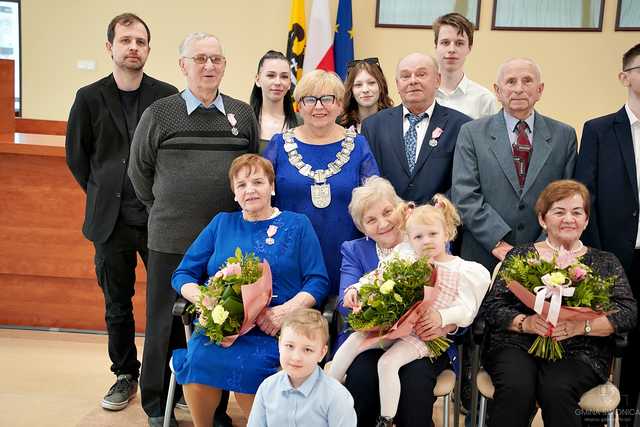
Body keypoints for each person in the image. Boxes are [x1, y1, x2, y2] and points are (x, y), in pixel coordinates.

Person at [128, 32, 258, 427]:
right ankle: (156, 405)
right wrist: (165, 207)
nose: (208, 66)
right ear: (183, 65)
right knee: (163, 324)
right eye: (199, 59)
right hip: (170, 239)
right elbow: (139, 173)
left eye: (216, 59)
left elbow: (250, 169)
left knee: (220, 321)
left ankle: (211, 409)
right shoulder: (159, 114)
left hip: (225, 245)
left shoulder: (242, 114)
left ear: (224, 65)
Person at [65, 12, 178, 412]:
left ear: (148, 49)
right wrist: (104, 192)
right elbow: (78, 159)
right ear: (109, 46)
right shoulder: (88, 97)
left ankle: (167, 382)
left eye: (141, 41)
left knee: (167, 301)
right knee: (117, 302)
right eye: (126, 40)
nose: (133, 47)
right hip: (109, 222)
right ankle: (125, 374)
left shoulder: (167, 97)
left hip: (157, 218)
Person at [171, 154, 329, 427]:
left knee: (252, 368)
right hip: (223, 327)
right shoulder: (222, 223)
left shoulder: (297, 224)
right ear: (234, 193)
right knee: (197, 362)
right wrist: (204, 298)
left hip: (272, 328)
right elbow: (182, 274)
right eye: (241, 185)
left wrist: (285, 312)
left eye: (257, 181)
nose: (250, 190)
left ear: (272, 187)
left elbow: (318, 280)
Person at [481, 180, 637, 427]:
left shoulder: (606, 262)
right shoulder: (520, 256)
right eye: (558, 211)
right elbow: (492, 306)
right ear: (543, 219)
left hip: (581, 350)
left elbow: (627, 312)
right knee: (517, 387)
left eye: (577, 212)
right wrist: (525, 322)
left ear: (586, 221)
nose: (568, 219)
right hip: (517, 344)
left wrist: (582, 326)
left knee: (556, 389)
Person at [330, 194, 490, 427]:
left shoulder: (464, 270)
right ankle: (325, 390)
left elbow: (467, 311)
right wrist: (359, 294)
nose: (426, 241)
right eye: (371, 219)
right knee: (359, 354)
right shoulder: (399, 256)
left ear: (447, 233)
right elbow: (373, 279)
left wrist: (442, 319)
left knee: (405, 374)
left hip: (423, 337)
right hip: (387, 330)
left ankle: (386, 419)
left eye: (386, 213)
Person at [452, 57, 577, 272]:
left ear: (540, 89)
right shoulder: (471, 133)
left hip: (545, 257)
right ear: (497, 90)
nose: (519, 89)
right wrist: (499, 244)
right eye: (511, 82)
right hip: (484, 255)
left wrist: (543, 245)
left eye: (527, 81)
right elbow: (465, 195)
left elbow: (567, 197)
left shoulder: (563, 136)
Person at [263, 69, 379, 297]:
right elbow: (260, 201)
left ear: (339, 105)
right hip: (289, 256)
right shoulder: (279, 145)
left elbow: (375, 200)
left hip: (346, 257)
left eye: (327, 99)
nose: (319, 107)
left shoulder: (358, 145)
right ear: (299, 105)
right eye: (310, 99)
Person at [574, 43, 640, 425]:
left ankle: (630, 416)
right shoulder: (598, 130)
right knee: (603, 338)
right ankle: (597, 416)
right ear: (624, 76)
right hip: (612, 258)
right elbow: (586, 197)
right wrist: (595, 257)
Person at [362, 52, 471, 205]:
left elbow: (464, 183)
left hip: (439, 223)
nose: (413, 81)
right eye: (405, 76)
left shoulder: (462, 126)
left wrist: (431, 214)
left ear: (437, 80)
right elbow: (370, 180)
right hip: (390, 222)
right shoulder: (373, 126)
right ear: (397, 84)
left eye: (421, 74)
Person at [247, 308, 356, 427]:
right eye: (289, 346)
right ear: (279, 345)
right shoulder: (266, 388)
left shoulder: (337, 397)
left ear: (322, 353)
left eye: (307, 349)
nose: (296, 357)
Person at [433, 13, 498, 119]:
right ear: (436, 46)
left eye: (459, 43)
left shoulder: (484, 99)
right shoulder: (422, 94)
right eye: (445, 42)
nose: (451, 49)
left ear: (469, 48)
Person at [249, 50, 300, 152]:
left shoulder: (302, 123)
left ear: (290, 83)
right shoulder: (244, 122)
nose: (278, 82)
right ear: (258, 80)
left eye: (284, 77)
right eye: (271, 75)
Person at [337, 58, 394, 132]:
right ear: (351, 90)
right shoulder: (339, 125)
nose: (365, 90)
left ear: (381, 86)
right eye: (358, 85)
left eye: (371, 83)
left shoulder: (396, 122)